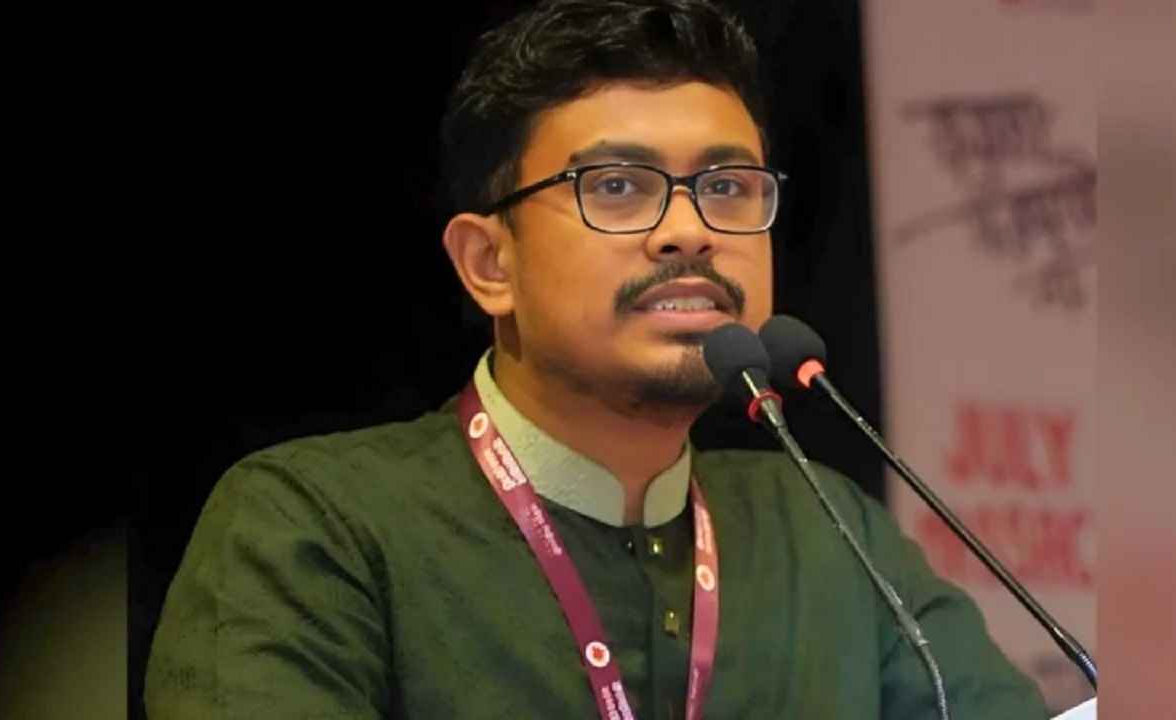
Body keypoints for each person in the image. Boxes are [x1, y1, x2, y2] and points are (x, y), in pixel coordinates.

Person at [145, 1, 1049, 717]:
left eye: (728, 186)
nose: (689, 230)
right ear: (489, 264)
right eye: (616, 186)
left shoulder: (827, 529)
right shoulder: (316, 528)